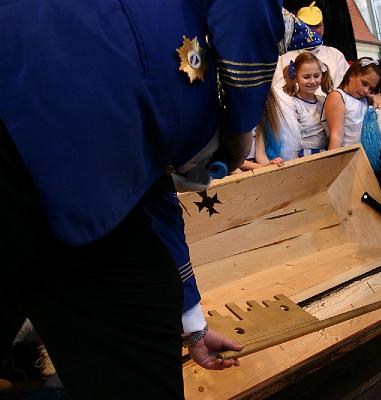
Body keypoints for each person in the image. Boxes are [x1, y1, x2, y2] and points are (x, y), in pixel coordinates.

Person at [0, 1, 284, 399]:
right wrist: (241, 127)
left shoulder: (141, 97)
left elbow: (153, 194)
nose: (207, 174)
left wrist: (192, 324)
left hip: (94, 208)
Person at [324, 58, 381, 149]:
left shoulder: (364, 99)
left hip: (362, 154)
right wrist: (333, 158)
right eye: (364, 83)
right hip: (345, 154)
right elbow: (336, 136)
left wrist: (376, 98)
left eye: (371, 88)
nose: (366, 90)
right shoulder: (337, 96)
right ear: (351, 75)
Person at [280, 52, 332, 157]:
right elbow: (288, 139)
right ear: (295, 77)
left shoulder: (324, 101)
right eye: (306, 77)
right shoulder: (292, 105)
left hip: (325, 154)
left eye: (316, 76)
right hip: (302, 156)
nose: (312, 81)